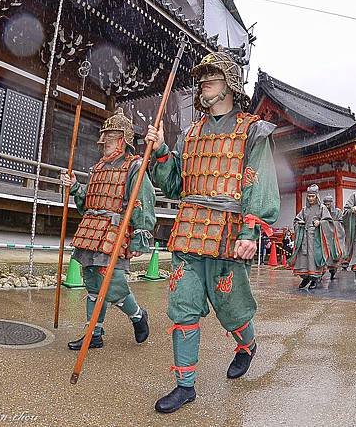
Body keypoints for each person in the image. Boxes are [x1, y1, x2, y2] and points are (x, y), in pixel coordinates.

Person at [145, 51, 280, 413]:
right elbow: (174, 184)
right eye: (202, 78)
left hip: (228, 232)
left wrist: (250, 231)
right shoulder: (189, 135)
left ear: (231, 84)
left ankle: (247, 345)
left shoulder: (253, 131)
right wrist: (160, 153)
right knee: (182, 308)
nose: (204, 82)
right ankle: (185, 385)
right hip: (189, 231)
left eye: (212, 76)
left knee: (232, 310)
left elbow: (259, 182)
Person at [60, 108, 155, 350]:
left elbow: (143, 200)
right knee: (92, 282)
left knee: (111, 282)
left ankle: (137, 316)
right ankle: (94, 333)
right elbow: (89, 203)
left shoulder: (135, 167)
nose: (104, 144)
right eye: (104, 139)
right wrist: (75, 188)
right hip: (91, 230)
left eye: (109, 139)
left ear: (122, 140)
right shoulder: (99, 167)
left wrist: (140, 237)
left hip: (114, 232)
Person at [289, 186, 337, 289]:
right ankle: (305, 277)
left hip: (316, 239)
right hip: (305, 239)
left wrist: (320, 222)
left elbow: (329, 222)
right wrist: (299, 223)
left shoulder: (322, 208)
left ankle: (314, 279)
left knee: (314, 258)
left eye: (312, 196)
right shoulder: (304, 209)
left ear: (316, 196)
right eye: (309, 196)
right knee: (304, 258)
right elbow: (296, 220)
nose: (310, 198)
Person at [322, 194, 345, 280]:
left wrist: (333, 224)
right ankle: (320, 274)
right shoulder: (322, 211)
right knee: (325, 255)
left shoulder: (338, 212)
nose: (327, 206)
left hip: (336, 237)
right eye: (326, 204)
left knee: (335, 255)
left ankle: (333, 273)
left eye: (329, 204)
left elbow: (342, 222)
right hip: (326, 237)